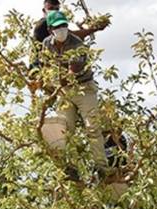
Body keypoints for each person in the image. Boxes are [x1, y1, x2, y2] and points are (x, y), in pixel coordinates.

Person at [37, 10, 107, 173]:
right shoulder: (47, 44)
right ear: (50, 29)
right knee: (66, 130)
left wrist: (56, 82)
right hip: (64, 91)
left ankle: (101, 166)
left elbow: (72, 73)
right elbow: (45, 66)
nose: (61, 29)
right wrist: (47, 84)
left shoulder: (77, 44)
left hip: (83, 88)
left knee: (92, 127)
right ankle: (71, 167)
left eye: (64, 25)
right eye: (57, 27)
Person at [32, 0, 109, 44]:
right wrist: (94, 28)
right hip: (42, 63)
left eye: (57, 9)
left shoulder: (56, 23)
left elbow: (73, 38)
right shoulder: (44, 23)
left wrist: (83, 29)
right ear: (44, 11)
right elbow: (73, 35)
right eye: (51, 9)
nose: (54, 12)